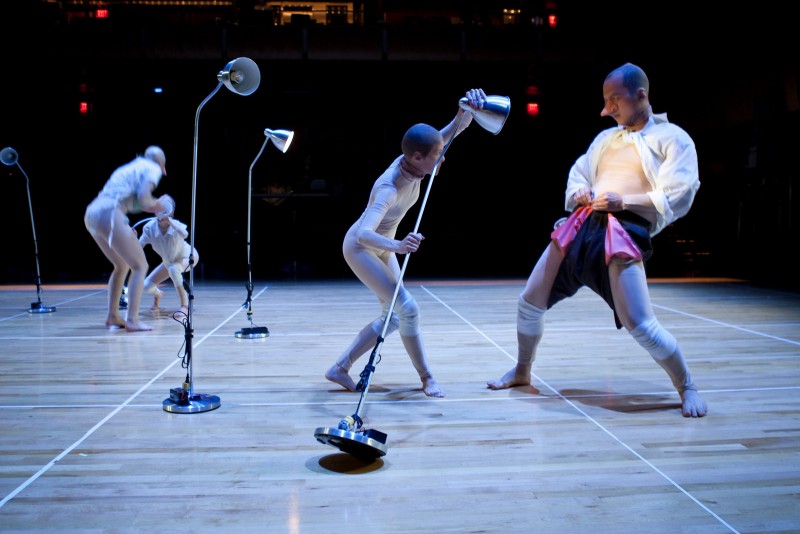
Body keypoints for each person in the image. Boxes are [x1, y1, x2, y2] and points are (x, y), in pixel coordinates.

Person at [487, 63, 708, 418]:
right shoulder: (605, 139)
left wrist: (626, 202)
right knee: (529, 301)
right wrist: (579, 192)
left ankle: (687, 386)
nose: (608, 108)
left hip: (623, 233)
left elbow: (679, 194)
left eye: (614, 99)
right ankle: (522, 370)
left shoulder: (674, 139)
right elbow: (579, 171)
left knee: (642, 325)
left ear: (641, 95)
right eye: (606, 101)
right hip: (581, 224)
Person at [325, 88, 486, 398]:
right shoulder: (389, 187)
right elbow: (362, 234)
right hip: (361, 248)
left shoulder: (420, 155)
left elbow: (453, 132)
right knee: (407, 309)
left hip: (382, 244)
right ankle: (426, 378)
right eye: (436, 156)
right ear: (416, 157)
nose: (442, 158)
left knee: (396, 315)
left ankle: (340, 368)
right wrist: (398, 246)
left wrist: (465, 108)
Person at [84, 146, 168, 331]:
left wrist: (148, 206)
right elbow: (144, 198)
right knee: (140, 266)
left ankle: (113, 316)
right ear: (160, 163)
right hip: (109, 213)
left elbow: (132, 201)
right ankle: (132, 320)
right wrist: (157, 204)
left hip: (93, 213)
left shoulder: (131, 166)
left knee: (121, 265)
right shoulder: (152, 168)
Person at [137, 195, 199, 316]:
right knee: (146, 286)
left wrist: (169, 220)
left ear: (171, 210)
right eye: (159, 205)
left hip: (187, 256)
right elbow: (138, 247)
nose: (162, 207)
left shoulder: (175, 225)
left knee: (174, 269)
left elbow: (185, 234)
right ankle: (158, 295)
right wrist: (132, 239)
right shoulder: (149, 227)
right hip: (168, 261)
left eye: (166, 205)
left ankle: (184, 306)